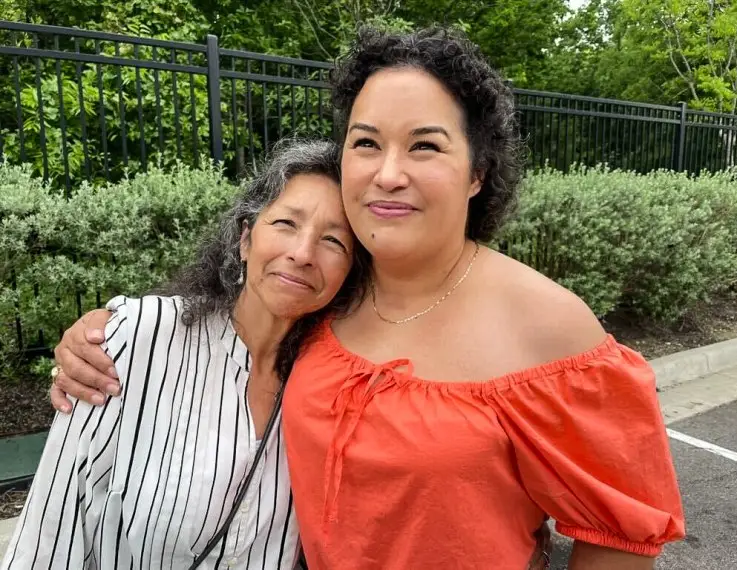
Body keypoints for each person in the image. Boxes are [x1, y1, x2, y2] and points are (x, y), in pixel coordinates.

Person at [47, 26, 685, 570]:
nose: (388, 173)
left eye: (426, 146)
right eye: (367, 142)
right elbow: (232, 320)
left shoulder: (549, 326)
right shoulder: (333, 293)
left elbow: (622, 537)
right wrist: (107, 332)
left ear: (478, 172)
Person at [2, 139, 368, 570]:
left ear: (349, 273)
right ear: (245, 238)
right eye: (286, 222)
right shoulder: (137, 339)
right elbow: (51, 531)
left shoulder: (337, 382)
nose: (303, 253)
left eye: (333, 241)